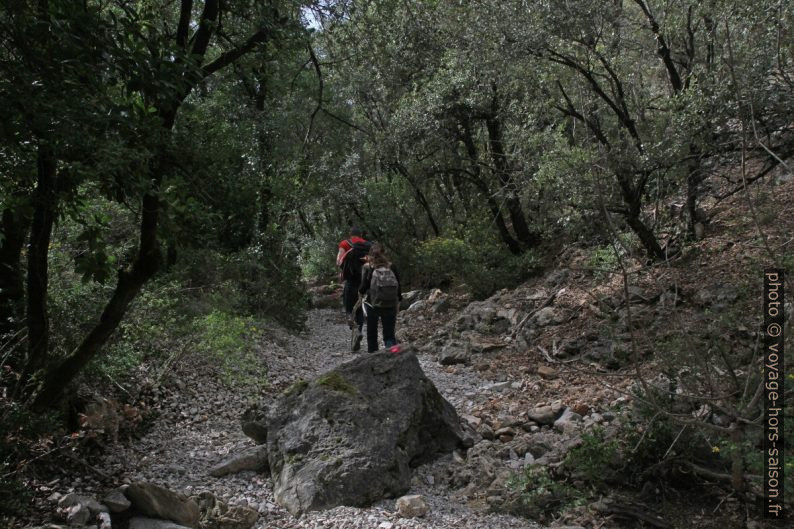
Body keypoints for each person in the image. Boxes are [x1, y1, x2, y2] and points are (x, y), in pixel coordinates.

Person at [358, 244, 402, 353]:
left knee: (372, 333)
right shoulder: (391, 266)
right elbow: (398, 285)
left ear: (370, 255)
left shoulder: (368, 267)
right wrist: (398, 301)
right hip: (391, 304)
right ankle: (393, 355)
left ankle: (373, 358)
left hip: (373, 304)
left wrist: (359, 294)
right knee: (389, 334)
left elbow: (363, 287)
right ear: (384, 253)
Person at [337, 227, 371, 351]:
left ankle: (354, 328)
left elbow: (339, 261)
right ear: (361, 234)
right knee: (360, 309)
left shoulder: (345, 244)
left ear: (350, 235)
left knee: (349, 306)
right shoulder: (369, 245)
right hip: (365, 283)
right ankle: (359, 330)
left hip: (351, 282)